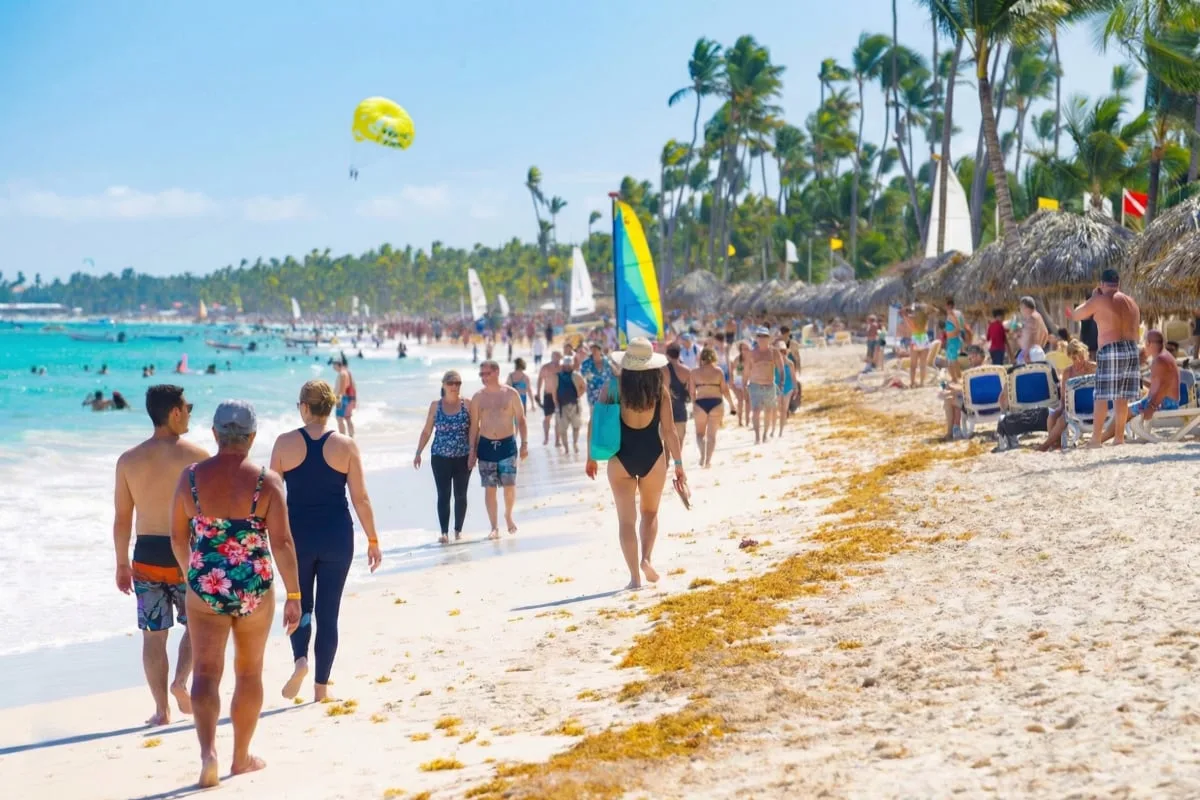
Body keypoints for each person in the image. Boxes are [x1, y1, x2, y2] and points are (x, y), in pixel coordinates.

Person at [169, 400, 302, 788]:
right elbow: (282, 541)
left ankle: (208, 754)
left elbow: (178, 536)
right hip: (254, 584)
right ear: (253, 437)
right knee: (249, 672)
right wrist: (294, 594)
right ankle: (240, 757)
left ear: (214, 435)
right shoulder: (266, 481)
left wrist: (192, 574)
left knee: (206, 674)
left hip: (206, 581)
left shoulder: (190, 477)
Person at [272, 381, 382, 703]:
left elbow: (273, 499)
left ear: (304, 407)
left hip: (298, 539)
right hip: (337, 536)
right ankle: (321, 689)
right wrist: (373, 540)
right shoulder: (346, 446)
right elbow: (360, 498)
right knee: (328, 613)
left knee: (299, 602)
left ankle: (300, 661)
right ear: (330, 407)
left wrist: (268, 541)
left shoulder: (284, 444)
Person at [114, 385, 208, 726]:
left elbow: (123, 518)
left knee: (154, 636)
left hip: (146, 556)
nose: (190, 413)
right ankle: (180, 681)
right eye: (188, 407)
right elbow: (209, 514)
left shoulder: (128, 460)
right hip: (186, 554)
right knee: (198, 626)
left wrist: (122, 563)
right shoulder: (198, 457)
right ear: (174, 412)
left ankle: (161, 711)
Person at [585, 338, 687, 590]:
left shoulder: (611, 387)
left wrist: (590, 456)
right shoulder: (659, 390)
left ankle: (634, 578)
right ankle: (646, 559)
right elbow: (670, 430)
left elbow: (594, 423)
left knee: (626, 521)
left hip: (620, 459)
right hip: (653, 457)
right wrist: (679, 463)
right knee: (650, 513)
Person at [1069, 270, 1141, 447]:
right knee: (1121, 396)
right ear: (1118, 284)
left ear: (1102, 284)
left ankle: (1095, 440)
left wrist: (1093, 297)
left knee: (1101, 395)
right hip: (1132, 348)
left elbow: (1076, 314)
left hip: (1111, 348)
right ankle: (1119, 438)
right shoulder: (1131, 302)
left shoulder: (1100, 298)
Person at [468, 360, 528, 538]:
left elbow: (521, 419)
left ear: (497, 372)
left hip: (507, 445)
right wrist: (472, 450)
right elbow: (474, 427)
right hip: (486, 446)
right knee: (489, 487)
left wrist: (524, 443)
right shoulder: (478, 397)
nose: (484, 378)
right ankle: (494, 527)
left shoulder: (511, 394)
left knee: (509, 485)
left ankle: (508, 515)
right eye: (481, 375)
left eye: (487, 374)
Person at [415, 371, 473, 543]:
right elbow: (427, 431)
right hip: (440, 457)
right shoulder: (435, 406)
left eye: (458, 383)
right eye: (451, 383)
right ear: (443, 385)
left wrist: (473, 452)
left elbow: (474, 430)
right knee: (443, 494)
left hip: (463, 457)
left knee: (461, 494)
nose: (454, 386)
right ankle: (444, 533)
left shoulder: (468, 404)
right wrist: (418, 452)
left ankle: (458, 530)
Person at [1038, 339, 1097, 452]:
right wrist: (1060, 408)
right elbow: (1064, 398)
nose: (1079, 361)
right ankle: (1056, 444)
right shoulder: (1068, 372)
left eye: (1081, 356)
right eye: (1075, 358)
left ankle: (1045, 446)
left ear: (1086, 354)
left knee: (1062, 419)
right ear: (1070, 358)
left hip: (1093, 408)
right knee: (1052, 416)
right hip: (1074, 409)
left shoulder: (1095, 368)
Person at [688, 346, 735, 468]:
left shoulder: (694, 373)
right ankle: (708, 461)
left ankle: (703, 454)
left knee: (699, 434)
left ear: (701, 358)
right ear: (714, 357)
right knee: (712, 436)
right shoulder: (718, 371)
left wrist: (694, 405)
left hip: (701, 403)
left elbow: (692, 392)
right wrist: (732, 405)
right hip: (716, 403)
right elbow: (725, 390)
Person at [1128, 330, 1180, 422]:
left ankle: (1104, 436)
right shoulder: (1164, 357)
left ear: (1148, 343)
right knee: (1124, 412)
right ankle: (1107, 436)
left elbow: (1164, 387)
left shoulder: (1160, 360)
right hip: (1166, 402)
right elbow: (1158, 386)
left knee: (1123, 412)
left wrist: (1151, 407)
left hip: (1163, 404)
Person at [939, 346, 989, 440]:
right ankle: (954, 429)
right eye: (969, 359)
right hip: (992, 404)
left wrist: (952, 388)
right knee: (954, 397)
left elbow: (967, 390)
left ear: (979, 357)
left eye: (971, 358)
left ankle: (953, 431)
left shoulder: (973, 373)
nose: (969, 362)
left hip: (975, 406)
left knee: (951, 399)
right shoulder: (992, 371)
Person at [745, 328, 782, 443]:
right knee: (755, 411)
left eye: (764, 336)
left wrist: (781, 382)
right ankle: (757, 436)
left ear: (768, 338)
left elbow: (781, 369)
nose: (762, 338)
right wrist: (744, 384)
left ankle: (765, 434)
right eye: (759, 336)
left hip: (769, 385)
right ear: (757, 338)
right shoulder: (751, 353)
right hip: (755, 385)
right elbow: (746, 370)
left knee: (769, 411)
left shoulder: (774, 352)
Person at [555, 356, 587, 452]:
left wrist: (578, 396)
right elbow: (553, 391)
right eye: (565, 364)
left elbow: (584, 386)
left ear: (572, 365)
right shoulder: (557, 376)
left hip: (574, 404)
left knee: (576, 426)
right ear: (563, 365)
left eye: (569, 364)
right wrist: (556, 404)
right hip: (562, 406)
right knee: (562, 429)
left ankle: (575, 444)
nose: (567, 366)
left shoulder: (576, 375)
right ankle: (566, 448)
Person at [664, 344, 691, 452]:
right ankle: (678, 463)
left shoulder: (663, 370)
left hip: (667, 408)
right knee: (680, 438)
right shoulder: (687, 370)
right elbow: (691, 391)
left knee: (666, 439)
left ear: (667, 355)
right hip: (681, 407)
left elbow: (663, 390)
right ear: (679, 354)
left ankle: (666, 465)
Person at [900, 303, 932, 387]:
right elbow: (935, 310)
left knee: (913, 365)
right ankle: (922, 383)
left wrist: (907, 307)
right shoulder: (925, 317)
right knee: (923, 364)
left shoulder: (911, 318)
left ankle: (912, 383)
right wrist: (926, 306)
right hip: (924, 339)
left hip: (915, 339)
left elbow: (902, 311)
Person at [535, 350, 563, 447]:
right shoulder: (545, 368)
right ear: (551, 357)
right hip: (548, 395)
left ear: (561, 358)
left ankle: (557, 441)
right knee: (547, 418)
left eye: (558, 357)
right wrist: (538, 393)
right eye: (554, 356)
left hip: (560, 396)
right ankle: (546, 437)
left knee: (558, 419)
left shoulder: (562, 368)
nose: (556, 359)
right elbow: (539, 380)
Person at [579, 342, 614, 410]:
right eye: (592, 349)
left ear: (600, 351)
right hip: (593, 396)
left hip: (607, 395)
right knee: (594, 418)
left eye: (595, 349)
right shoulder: (586, 363)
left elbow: (613, 376)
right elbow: (583, 375)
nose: (593, 351)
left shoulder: (608, 362)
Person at [1016, 296, 1049, 365]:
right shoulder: (1038, 316)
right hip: (1038, 351)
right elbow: (1046, 333)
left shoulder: (1031, 317)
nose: (1021, 311)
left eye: (1021, 308)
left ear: (1024, 307)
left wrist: (1027, 353)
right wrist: (1040, 347)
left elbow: (1031, 334)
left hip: (1031, 354)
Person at [774, 341, 798, 436]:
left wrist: (796, 388)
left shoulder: (790, 363)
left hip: (788, 387)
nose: (782, 353)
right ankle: (776, 427)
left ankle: (781, 431)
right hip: (777, 386)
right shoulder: (774, 363)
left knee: (784, 408)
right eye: (780, 351)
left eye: (783, 351)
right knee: (778, 408)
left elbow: (793, 376)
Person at [942, 298, 968, 380]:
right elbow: (963, 325)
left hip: (953, 339)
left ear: (948, 305)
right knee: (954, 359)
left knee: (952, 360)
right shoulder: (958, 313)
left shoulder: (952, 314)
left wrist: (954, 332)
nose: (945, 307)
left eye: (945, 305)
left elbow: (957, 327)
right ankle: (958, 376)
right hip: (955, 338)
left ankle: (955, 378)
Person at [333, 360, 357, 438]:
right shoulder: (346, 373)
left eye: (334, 365)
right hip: (346, 398)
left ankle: (343, 438)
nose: (333, 367)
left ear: (337, 365)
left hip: (342, 398)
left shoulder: (342, 374)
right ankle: (351, 437)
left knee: (339, 419)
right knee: (347, 418)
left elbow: (342, 389)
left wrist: (338, 399)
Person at [731, 340, 750, 427]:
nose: (745, 350)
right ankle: (740, 420)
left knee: (748, 401)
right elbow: (736, 372)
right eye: (743, 349)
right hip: (739, 382)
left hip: (749, 381)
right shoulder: (738, 359)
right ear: (740, 350)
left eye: (746, 349)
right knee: (740, 401)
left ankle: (747, 421)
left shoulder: (751, 358)